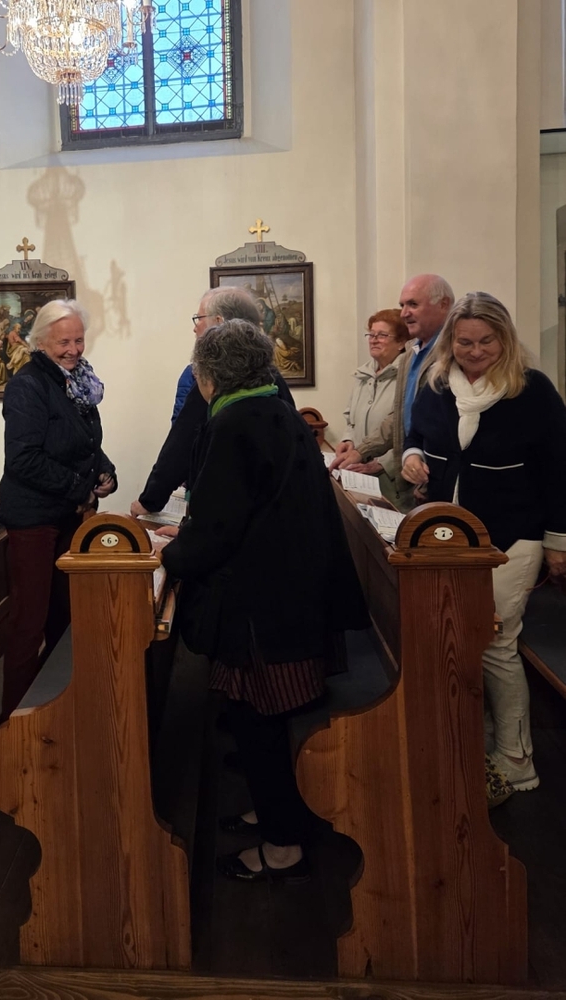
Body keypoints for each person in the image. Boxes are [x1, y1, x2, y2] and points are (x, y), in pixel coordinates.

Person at [159, 320, 368, 881]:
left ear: (209, 376)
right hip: (292, 594)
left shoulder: (234, 423)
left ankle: (283, 846)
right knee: (259, 720)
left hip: (261, 607)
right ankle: (277, 810)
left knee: (257, 719)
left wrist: (171, 556)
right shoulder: (276, 410)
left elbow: (220, 528)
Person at [401, 292, 566, 793]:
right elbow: (417, 435)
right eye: (465, 342)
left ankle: (517, 759)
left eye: (486, 342)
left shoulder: (531, 390)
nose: (475, 353)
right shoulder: (436, 385)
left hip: (513, 536)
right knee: (459, 640)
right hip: (447, 537)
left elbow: (559, 470)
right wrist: (412, 457)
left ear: (505, 339)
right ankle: (477, 739)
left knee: (494, 641)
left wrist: (558, 541)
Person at [0, 299, 117, 717]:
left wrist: (105, 471)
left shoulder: (78, 382)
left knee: (64, 616)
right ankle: (13, 723)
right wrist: (81, 489)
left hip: (66, 514)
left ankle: (55, 712)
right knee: (29, 622)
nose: (74, 349)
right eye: (64, 342)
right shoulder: (27, 386)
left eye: (79, 340)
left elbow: (84, 442)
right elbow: (24, 459)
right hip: (33, 519)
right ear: (42, 342)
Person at [131, 286, 294, 517]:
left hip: (226, 509)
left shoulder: (211, 376)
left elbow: (182, 442)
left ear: (218, 322)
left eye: (199, 318)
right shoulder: (272, 377)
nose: (195, 327)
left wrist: (149, 501)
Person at [333, 274, 454, 511]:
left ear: (443, 304)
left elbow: (444, 426)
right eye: (402, 305)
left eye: (413, 304)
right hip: (412, 471)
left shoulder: (450, 352)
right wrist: (359, 451)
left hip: (435, 475)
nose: (404, 313)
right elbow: (400, 419)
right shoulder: (412, 355)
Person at [335, 309, 410, 503]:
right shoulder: (363, 375)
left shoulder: (408, 377)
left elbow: (406, 430)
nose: (374, 340)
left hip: (392, 480)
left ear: (401, 342)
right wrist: (348, 440)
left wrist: (383, 465)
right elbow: (350, 418)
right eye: (371, 334)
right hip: (358, 474)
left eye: (382, 335)